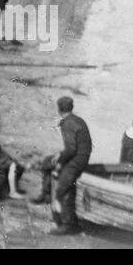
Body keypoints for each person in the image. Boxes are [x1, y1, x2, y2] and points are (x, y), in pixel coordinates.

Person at [40, 96, 91, 235]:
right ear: (71, 107)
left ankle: (69, 225)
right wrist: (59, 157)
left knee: (63, 188)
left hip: (77, 159)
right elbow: (72, 148)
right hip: (80, 156)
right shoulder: (77, 120)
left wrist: (60, 160)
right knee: (46, 162)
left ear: (59, 109)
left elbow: (71, 149)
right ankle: (45, 194)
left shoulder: (67, 123)